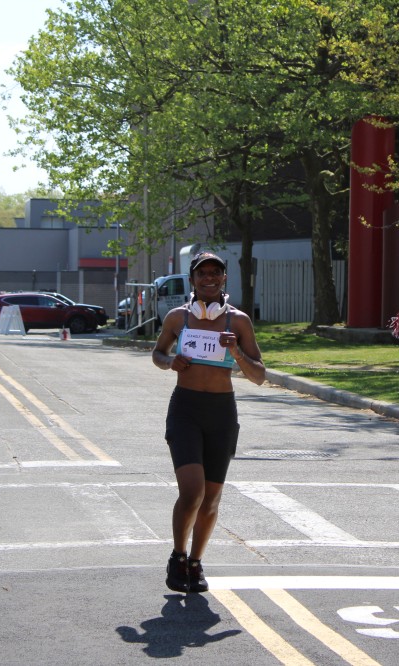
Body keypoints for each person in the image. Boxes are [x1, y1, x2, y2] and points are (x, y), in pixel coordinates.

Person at [151, 251, 266, 594]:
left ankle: (196, 562)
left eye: (216, 272)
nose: (210, 278)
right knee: (192, 493)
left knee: (211, 499)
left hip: (221, 413)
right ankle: (177, 556)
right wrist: (170, 362)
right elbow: (158, 353)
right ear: (193, 279)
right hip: (185, 409)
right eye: (203, 273)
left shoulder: (238, 321)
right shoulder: (177, 317)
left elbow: (259, 375)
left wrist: (237, 353)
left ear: (224, 278)